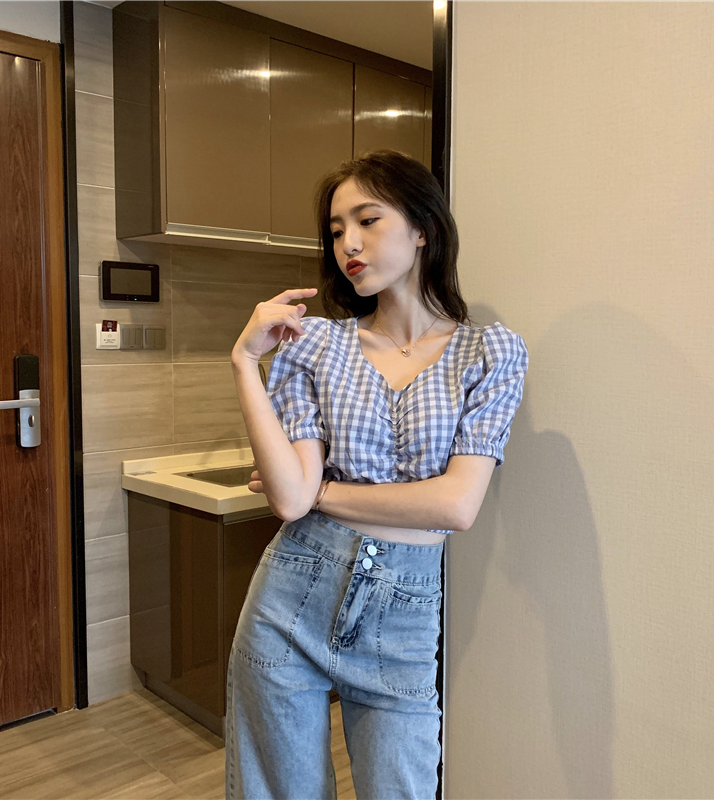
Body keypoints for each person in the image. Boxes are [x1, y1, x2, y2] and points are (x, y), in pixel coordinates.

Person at [227, 149, 529, 799]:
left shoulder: (490, 352)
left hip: (404, 616)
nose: (348, 244)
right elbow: (288, 501)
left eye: (368, 220)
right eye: (336, 230)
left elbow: (456, 506)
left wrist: (322, 492)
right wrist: (244, 362)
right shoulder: (315, 344)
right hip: (292, 598)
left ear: (423, 228)